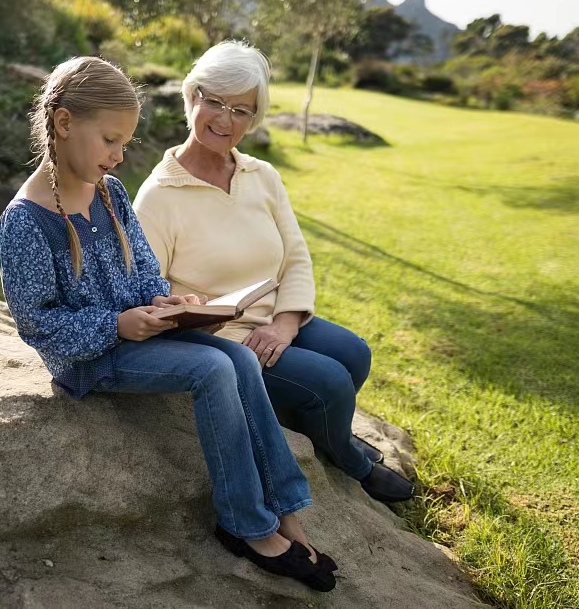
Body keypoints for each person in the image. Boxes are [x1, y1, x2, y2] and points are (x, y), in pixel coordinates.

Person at [0, 56, 337, 591]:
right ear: (63, 124)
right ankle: (244, 523)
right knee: (211, 368)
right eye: (110, 141)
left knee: (240, 355)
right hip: (91, 359)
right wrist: (118, 325)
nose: (119, 156)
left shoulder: (111, 194)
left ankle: (286, 507)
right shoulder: (23, 221)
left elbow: (145, 274)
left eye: (124, 144)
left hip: (138, 334)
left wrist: (169, 305)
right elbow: (38, 325)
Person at [133, 42, 415, 504]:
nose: (225, 120)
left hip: (273, 321)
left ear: (255, 116)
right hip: (224, 340)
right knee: (329, 383)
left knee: (354, 353)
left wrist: (286, 323)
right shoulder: (158, 196)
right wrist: (196, 314)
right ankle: (351, 459)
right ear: (192, 97)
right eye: (215, 102)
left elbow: (295, 256)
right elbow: (149, 295)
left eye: (241, 110)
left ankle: (313, 426)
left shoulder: (262, 175)